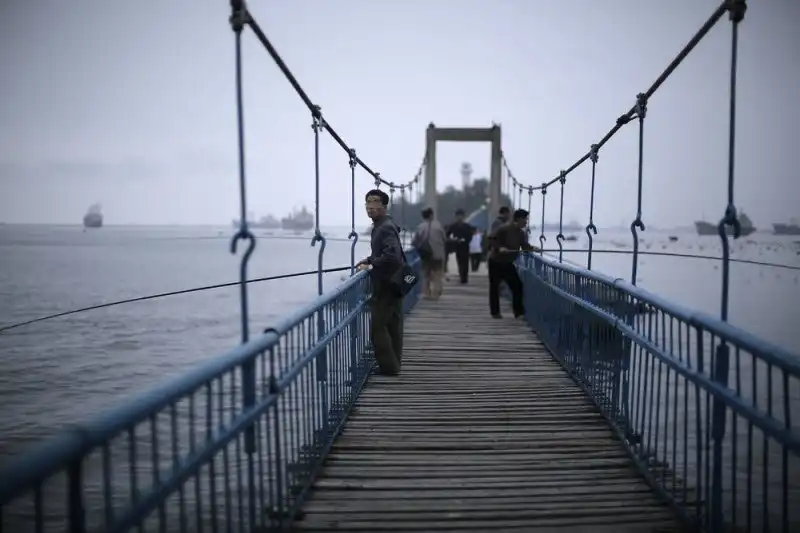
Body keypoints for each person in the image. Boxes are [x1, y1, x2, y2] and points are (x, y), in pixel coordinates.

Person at [356, 189, 404, 376]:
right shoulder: (384, 224)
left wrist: (372, 264)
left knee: (377, 326)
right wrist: (370, 259)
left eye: (375, 202)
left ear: (384, 206)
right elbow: (386, 251)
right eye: (368, 202)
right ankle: (394, 365)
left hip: (387, 283)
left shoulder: (384, 227)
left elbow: (392, 256)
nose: (370, 206)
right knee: (393, 325)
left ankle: (388, 367)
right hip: (395, 281)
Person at [487, 208, 536, 319]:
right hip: (496, 262)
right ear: (518, 219)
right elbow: (491, 239)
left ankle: (518, 312)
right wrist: (500, 248)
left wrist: (532, 248)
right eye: (525, 219)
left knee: (517, 286)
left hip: (508, 263)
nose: (526, 222)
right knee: (494, 287)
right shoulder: (504, 228)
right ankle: (495, 312)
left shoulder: (521, 233)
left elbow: (524, 246)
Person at [412, 207, 447, 300]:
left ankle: (426, 293)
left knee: (425, 274)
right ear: (431, 215)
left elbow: (414, 241)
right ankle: (436, 293)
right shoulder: (438, 226)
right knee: (437, 274)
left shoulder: (420, 227)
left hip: (425, 255)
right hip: (438, 254)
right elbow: (444, 238)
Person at [446, 208, 474, 284]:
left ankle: (465, 277)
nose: (459, 217)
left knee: (465, 261)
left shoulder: (467, 226)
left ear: (463, 216)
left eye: (460, 216)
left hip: (465, 245)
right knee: (459, 261)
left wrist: (466, 240)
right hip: (457, 245)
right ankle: (461, 275)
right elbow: (447, 235)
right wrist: (453, 240)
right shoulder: (453, 226)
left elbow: (470, 235)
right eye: (458, 216)